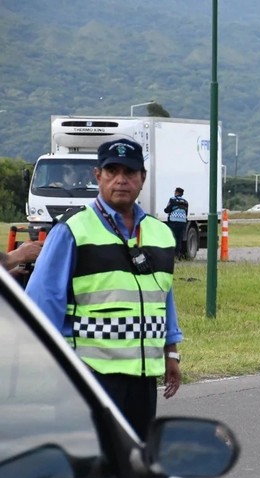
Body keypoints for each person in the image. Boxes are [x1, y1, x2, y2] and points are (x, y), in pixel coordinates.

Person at [26, 139, 182, 441]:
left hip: (143, 377)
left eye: (130, 172)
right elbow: (42, 305)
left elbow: (164, 297)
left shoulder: (161, 234)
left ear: (143, 178)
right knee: (90, 466)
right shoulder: (72, 231)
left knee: (134, 464)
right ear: (98, 176)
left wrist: (171, 352)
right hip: (90, 375)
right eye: (112, 171)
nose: (121, 179)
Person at [164, 187, 189, 259]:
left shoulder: (172, 199)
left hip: (173, 221)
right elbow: (186, 213)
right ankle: (177, 255)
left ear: (176, 192)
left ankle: (171, 255)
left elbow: (167, 209)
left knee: (172, 238)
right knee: (179, 239)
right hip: (182, 222)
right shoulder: (185, 202)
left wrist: (165, 210)